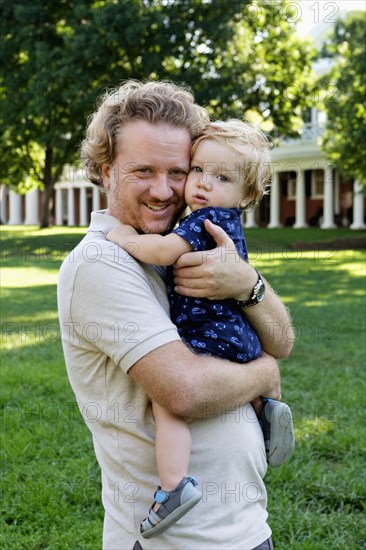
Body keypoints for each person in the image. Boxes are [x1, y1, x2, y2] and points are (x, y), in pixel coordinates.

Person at [57, 80, 294, 550]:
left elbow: (283, 338)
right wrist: (265, 372)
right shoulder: (100, 263)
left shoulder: (201, 238)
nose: (164, 190)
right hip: (174, 541)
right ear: (106, 171)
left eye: (179, 171)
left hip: (246, 527)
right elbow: (184, 392)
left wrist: (248, 285)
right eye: (143, 170)